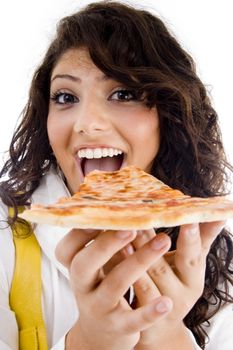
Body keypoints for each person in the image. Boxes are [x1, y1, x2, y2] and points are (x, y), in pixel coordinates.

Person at [0, 1, 232, 349]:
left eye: (123, 93)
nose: (87, 123)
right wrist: (87, 342)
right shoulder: (5, 233)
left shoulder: (218, 262)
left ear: (168, 115)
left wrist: (167, 334)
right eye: (65, 96)